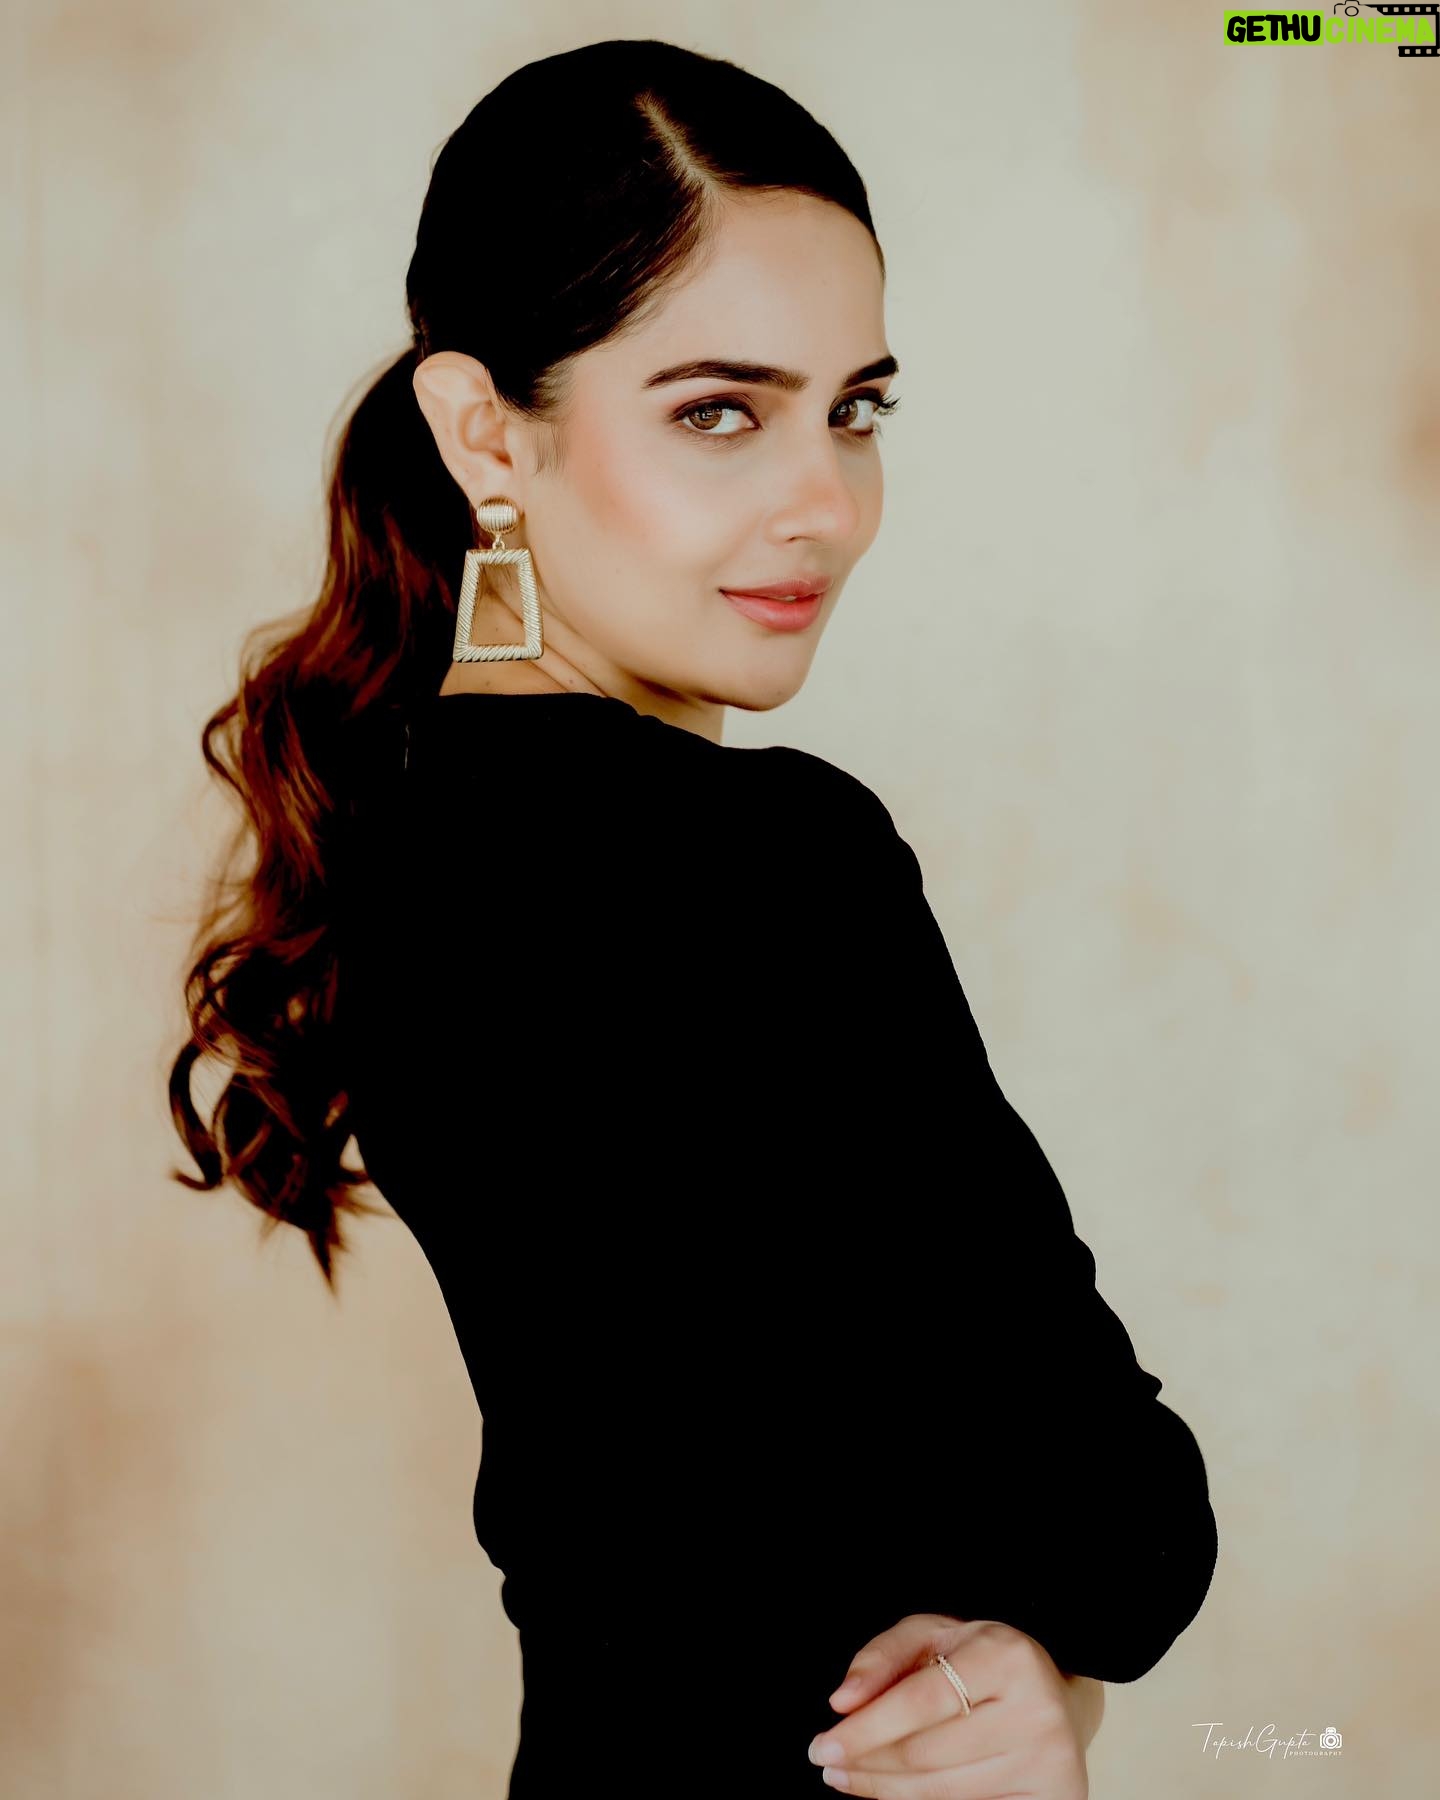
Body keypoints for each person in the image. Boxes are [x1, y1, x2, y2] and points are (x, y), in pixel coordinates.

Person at [168, 38, 1218, 1800]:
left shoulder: (391, 820)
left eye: (856, 410)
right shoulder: (773, 857)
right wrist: (1049, 1671)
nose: (826, 507)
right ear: (482, 429)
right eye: (719, 411)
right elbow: (1123, 1525)